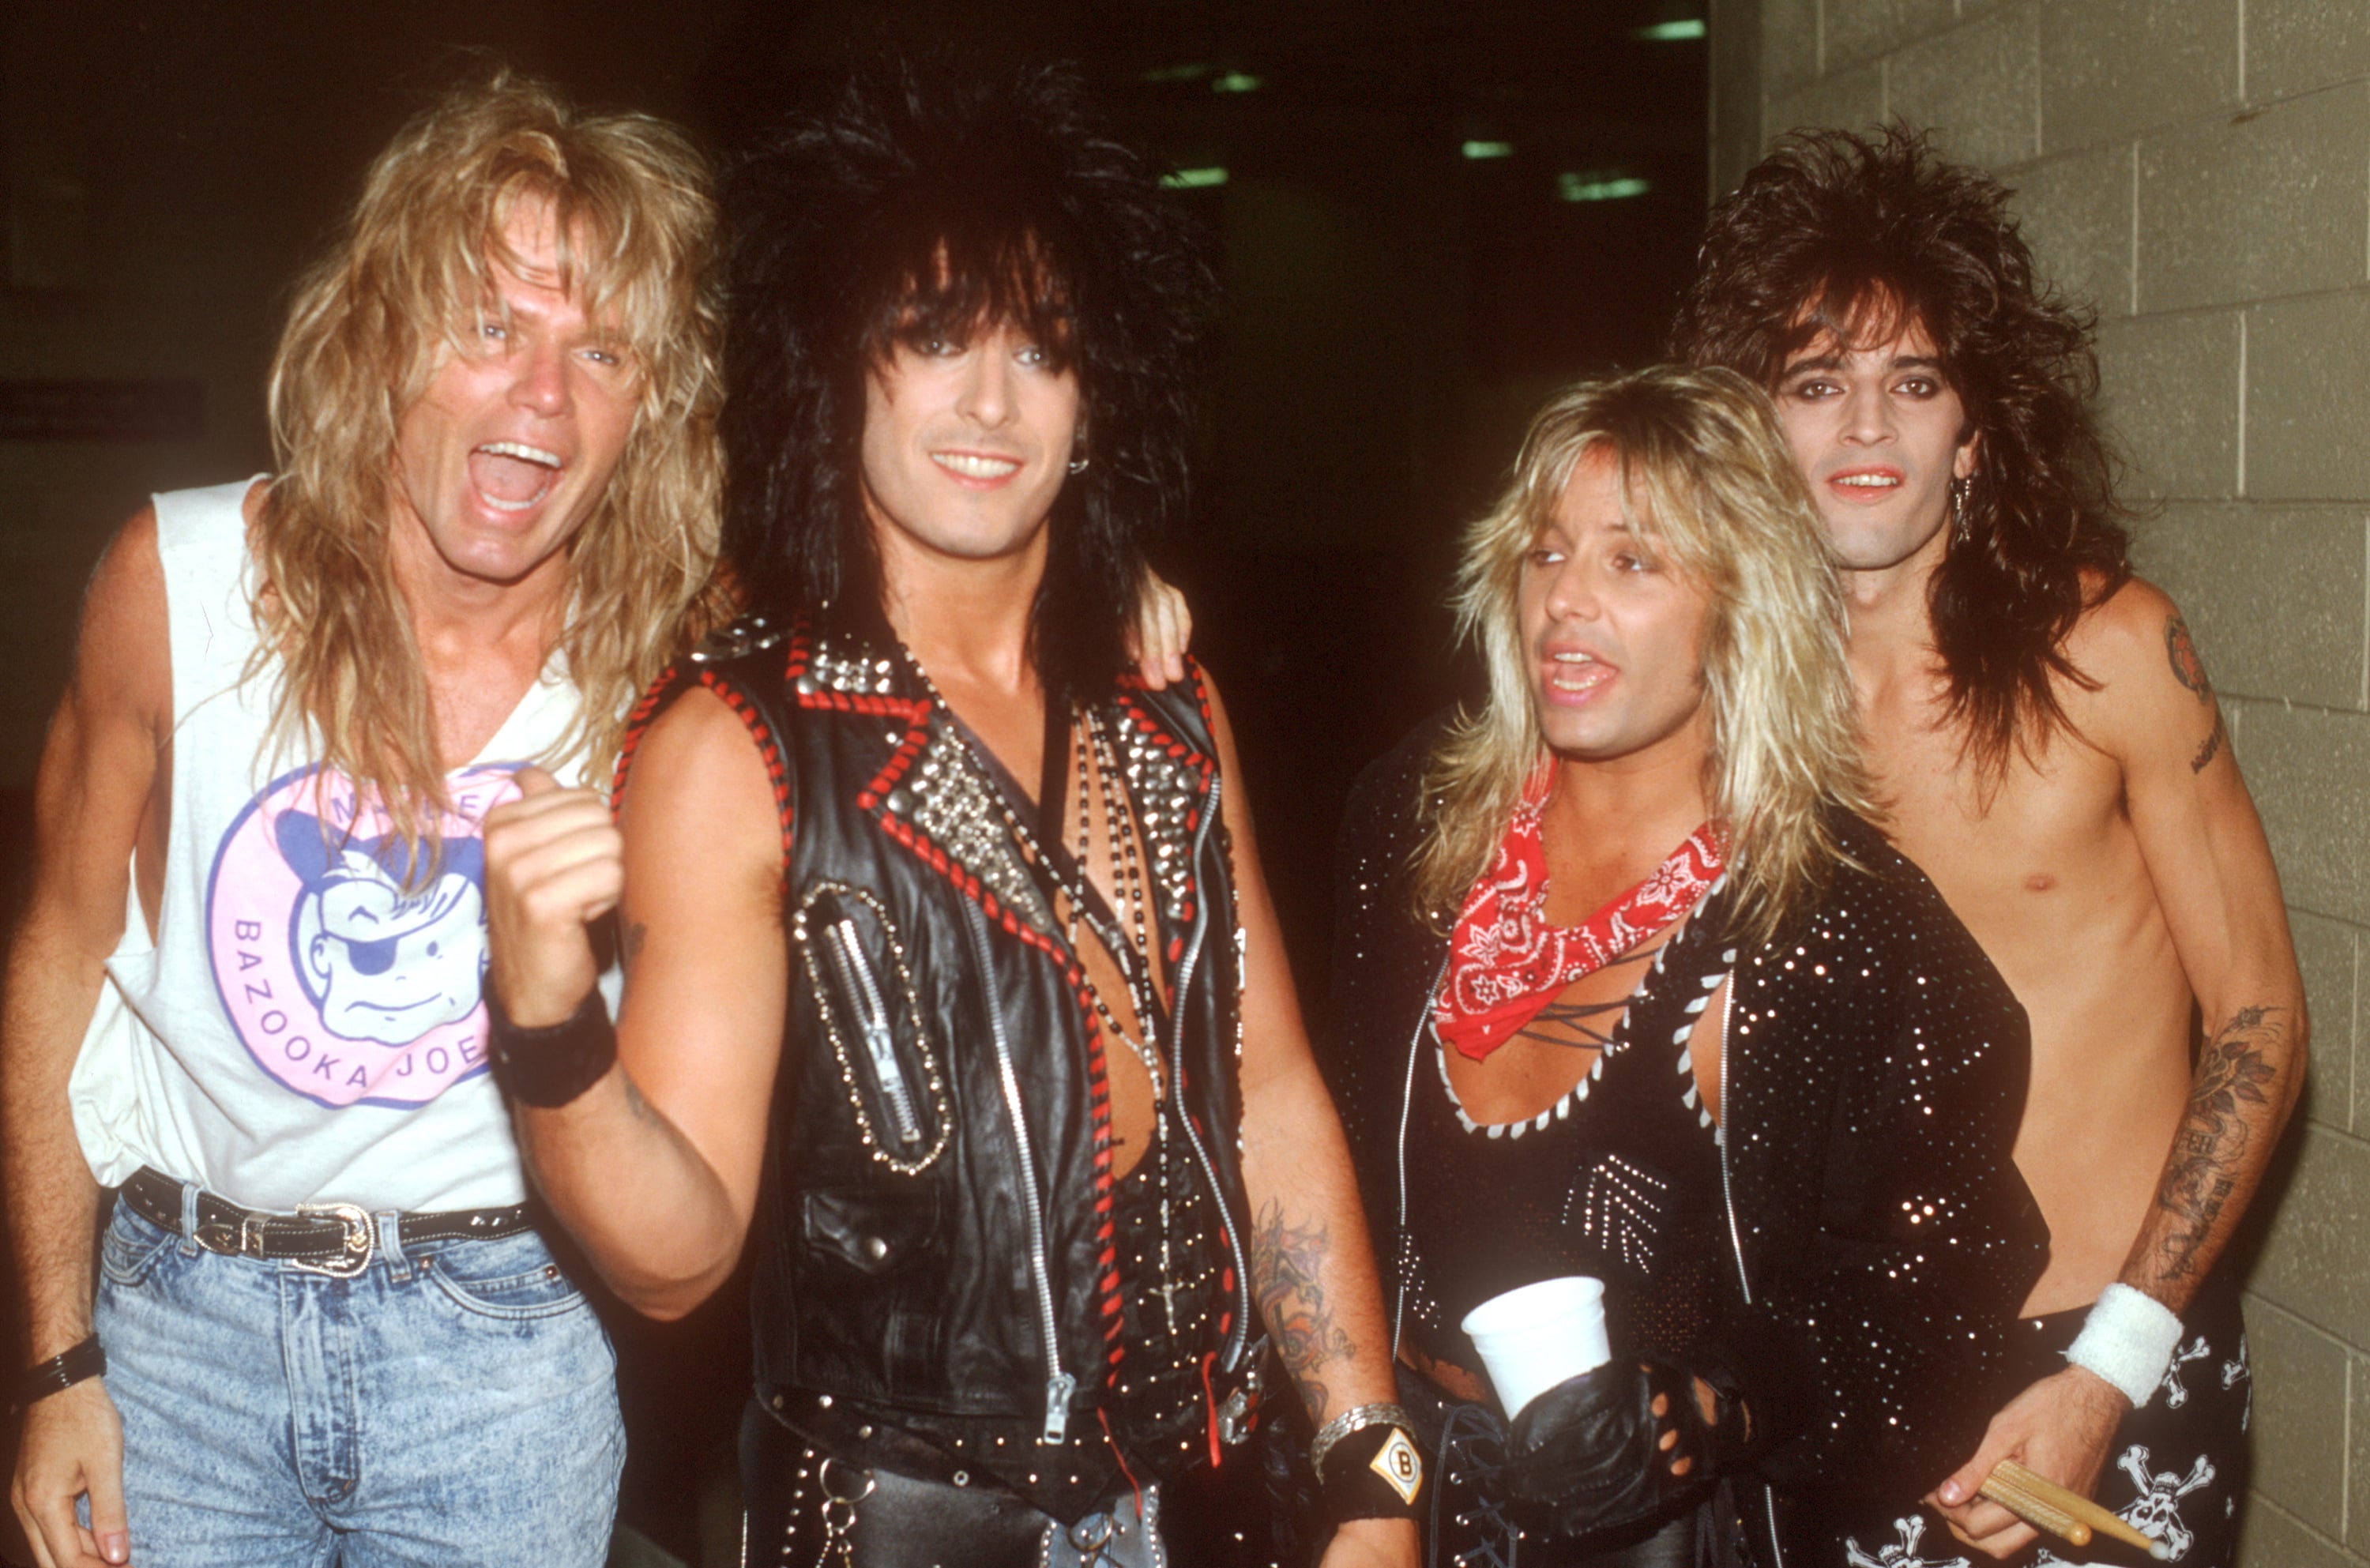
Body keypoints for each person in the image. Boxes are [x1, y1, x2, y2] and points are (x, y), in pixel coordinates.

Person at [481, 62, 1420, 1568]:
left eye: (1042, 349)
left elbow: (1276, 1094)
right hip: (901, 1525)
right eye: (932, 338)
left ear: (1097, 402)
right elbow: (675, 1260)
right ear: (838, 371)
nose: (990, 401)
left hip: (1214, 1509)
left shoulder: (1168, 700)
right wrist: (545, 1031)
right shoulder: (739, 742)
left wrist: (1370, 1463)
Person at [2, 76, 724, 1568]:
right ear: (379, 332)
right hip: (183, 1343)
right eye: (490, 323)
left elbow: (918, 631)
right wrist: (57, 1360)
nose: (545, 392)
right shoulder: (175, 581)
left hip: (503, 1358)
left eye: (602, 349)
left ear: (650, 405)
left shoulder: (675, 654)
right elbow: (59, 958)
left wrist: (1104, 606)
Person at [1672, 126, 2307, 1565]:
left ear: (1973, 430)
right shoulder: (1722, 704)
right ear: (1753, 425)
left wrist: (2110, 1369)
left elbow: (2262, 1016)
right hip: (1842, 1365)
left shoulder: (2111, 651)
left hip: (2105, 1352)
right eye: (1816, 385)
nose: (1868, 429)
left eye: (1914, 383)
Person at [1324, 365, 2047, 1566]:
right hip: (1403, 1497)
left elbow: (1937, 1296)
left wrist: (1712, 1405)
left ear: (1742, 604)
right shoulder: (1414, 823)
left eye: (1633, 561)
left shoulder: (1833, 926)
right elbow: (1305, 1153)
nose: (1567, 600)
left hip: (1667, 1535)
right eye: (1546, 553)